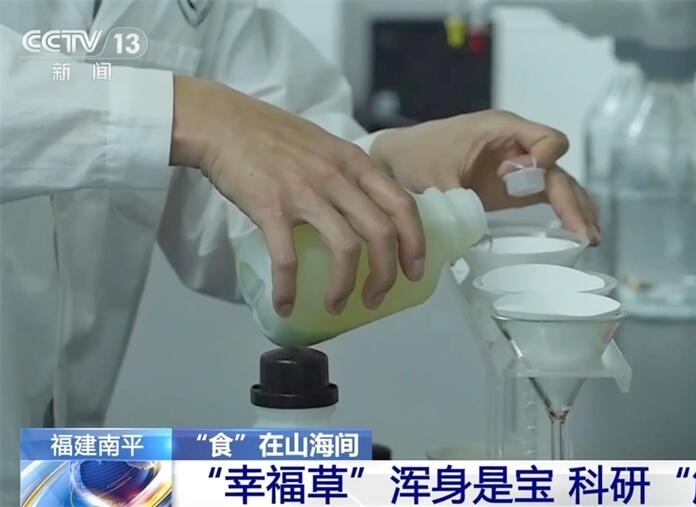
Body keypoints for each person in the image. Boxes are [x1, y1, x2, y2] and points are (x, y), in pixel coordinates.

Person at [0, 0, 599, 502]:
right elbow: (206, 122)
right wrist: (187, 113)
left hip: (55, 473)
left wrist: (384, 167)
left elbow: (234, 197)